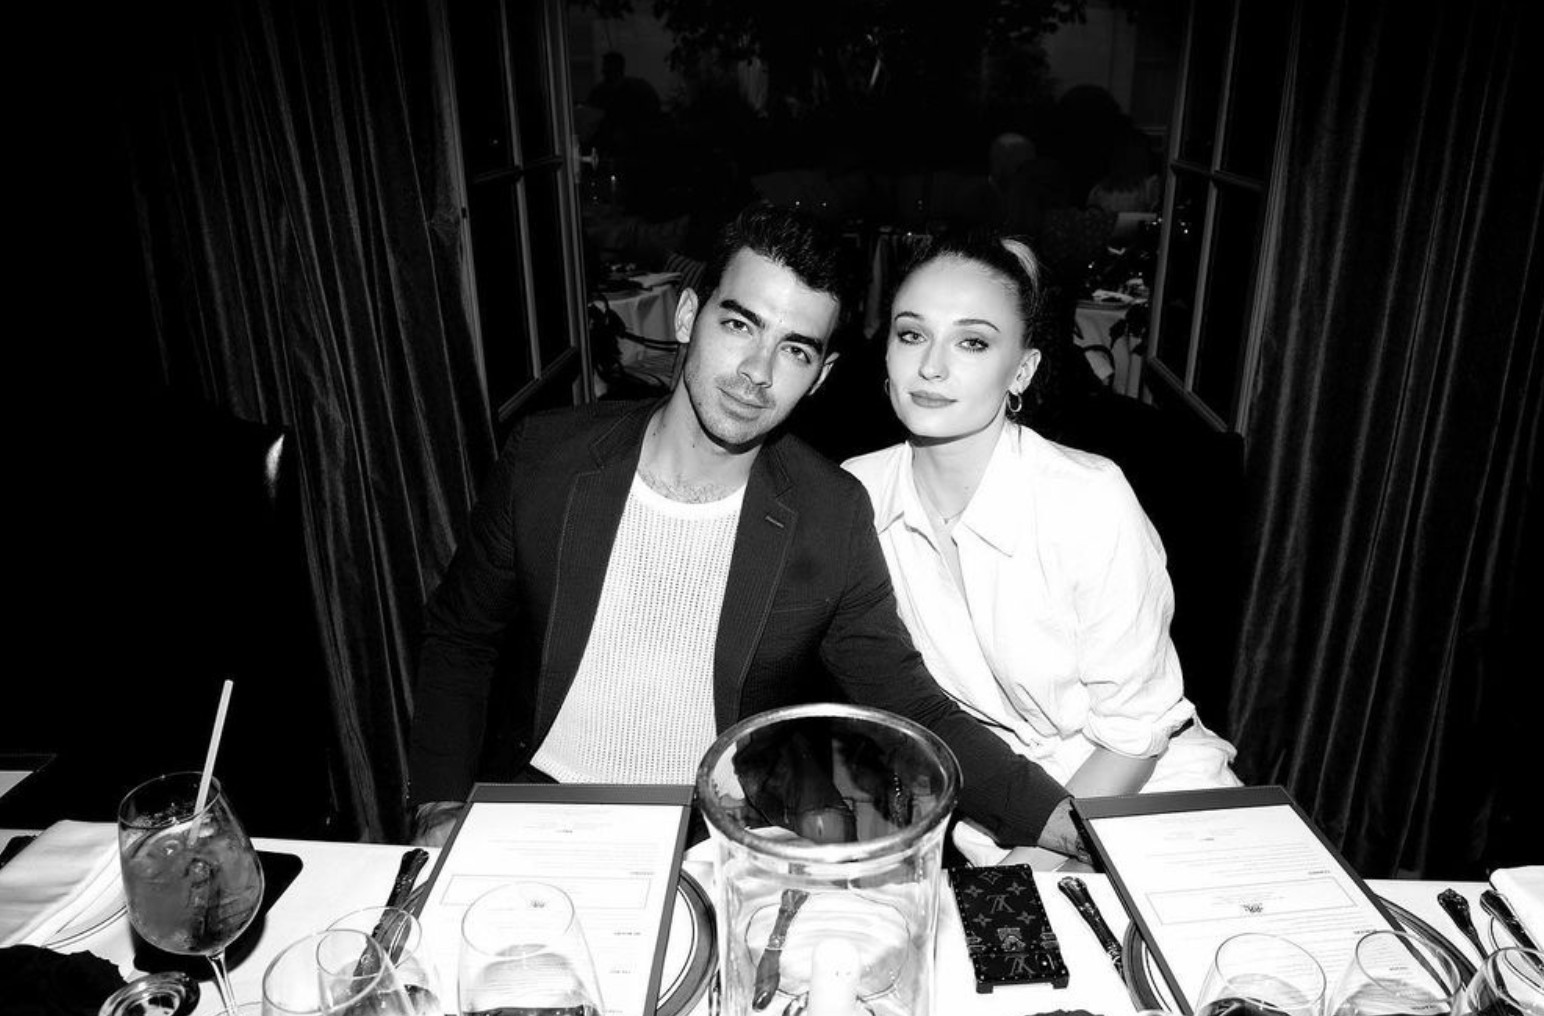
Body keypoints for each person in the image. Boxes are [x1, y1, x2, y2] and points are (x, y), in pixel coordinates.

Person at [406, 205, 1082, 858]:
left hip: (708, 842)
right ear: (686, 316)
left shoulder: (830, 513)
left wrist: (1074, 829)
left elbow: (912, 704)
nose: (757, 372)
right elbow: (461, 640)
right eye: (738, 325)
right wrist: (437, 804)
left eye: (794, 349)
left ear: (820, 377)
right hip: (533, 811)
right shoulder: (548, 459)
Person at [842, 233, 1241, 865]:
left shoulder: (1087, 499)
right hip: (997, 814)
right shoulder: (854, 495)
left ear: (1022, 370)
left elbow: (1134, 737)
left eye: (972, 342)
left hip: (1143, 799)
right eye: (912, 334)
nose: (931, 367)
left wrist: (1020, 876)